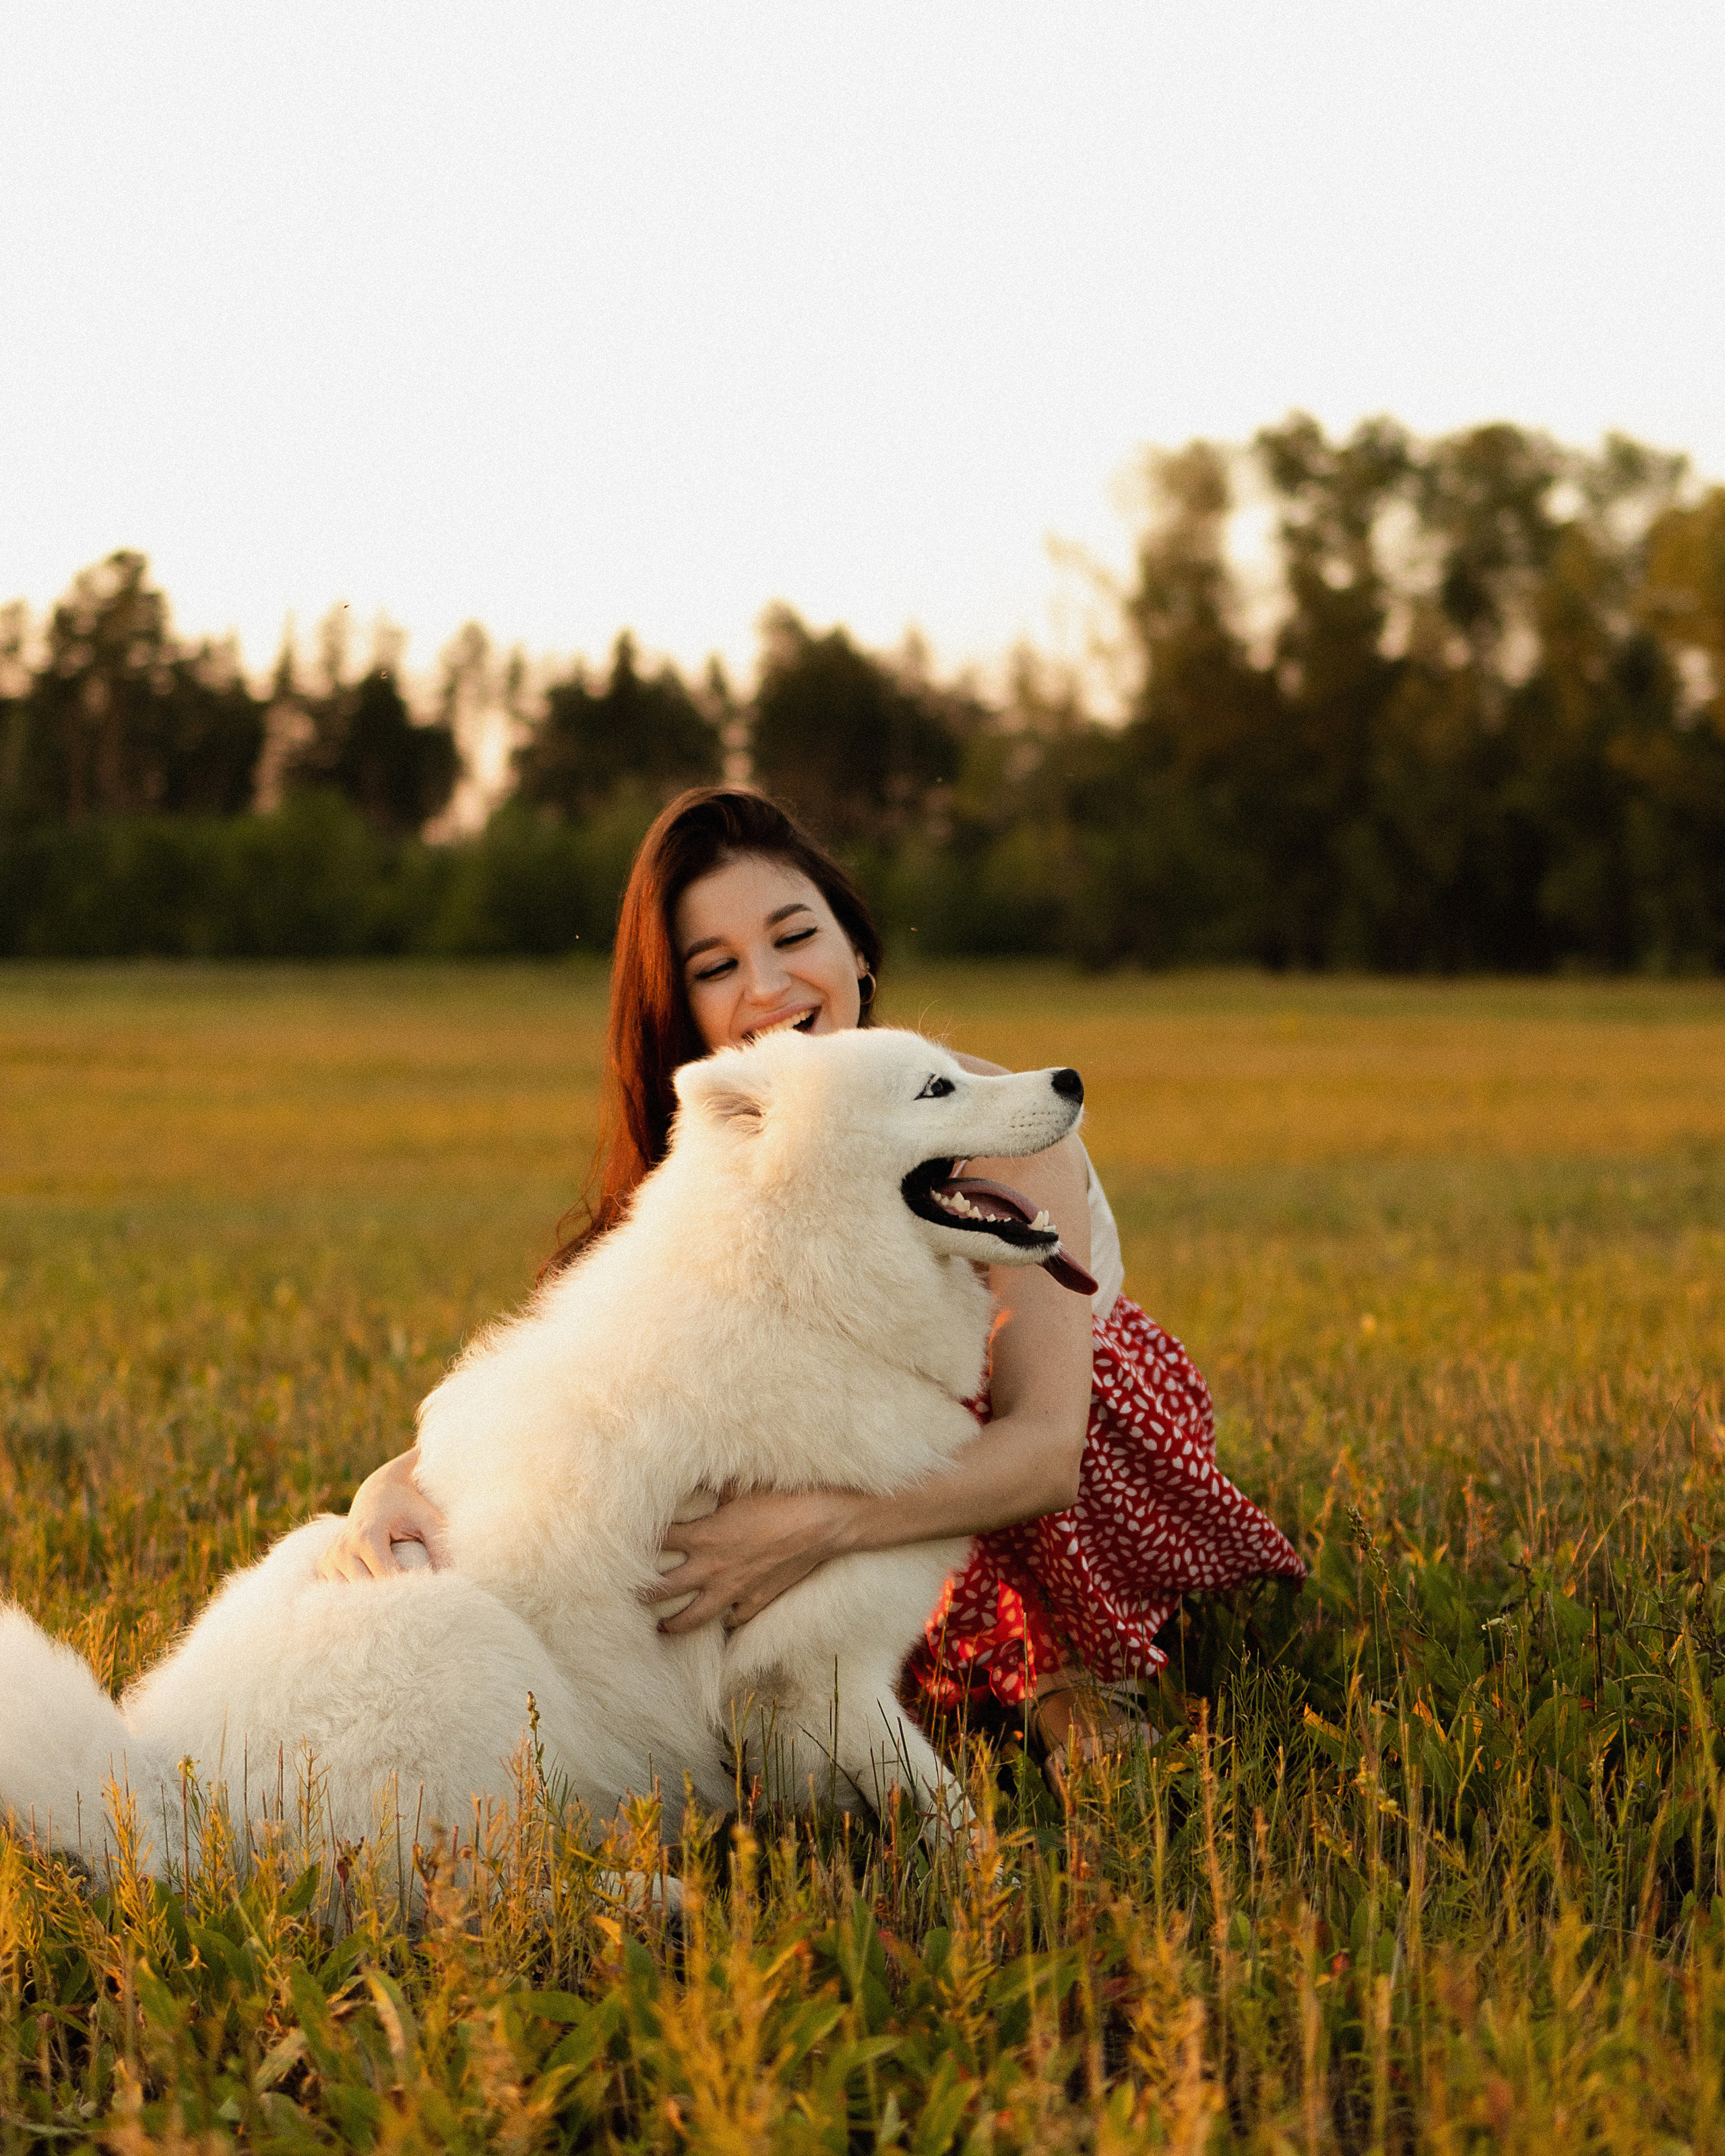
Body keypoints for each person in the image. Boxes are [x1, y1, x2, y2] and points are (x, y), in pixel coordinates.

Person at [317, 786, 1304, 1763]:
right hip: (837, 1534)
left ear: (857, 950)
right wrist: (392, 1483)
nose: (769, 986)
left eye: (795, 937)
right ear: (685, 1010)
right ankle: (776, 1699)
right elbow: (597, 1396)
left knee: (923, 1405)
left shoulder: (992, 1118)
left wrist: (807, 1527)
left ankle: (1065, 1674)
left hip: (1016, 1489)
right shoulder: (730, 1167)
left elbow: (1046, 1449)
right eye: (718, 966)